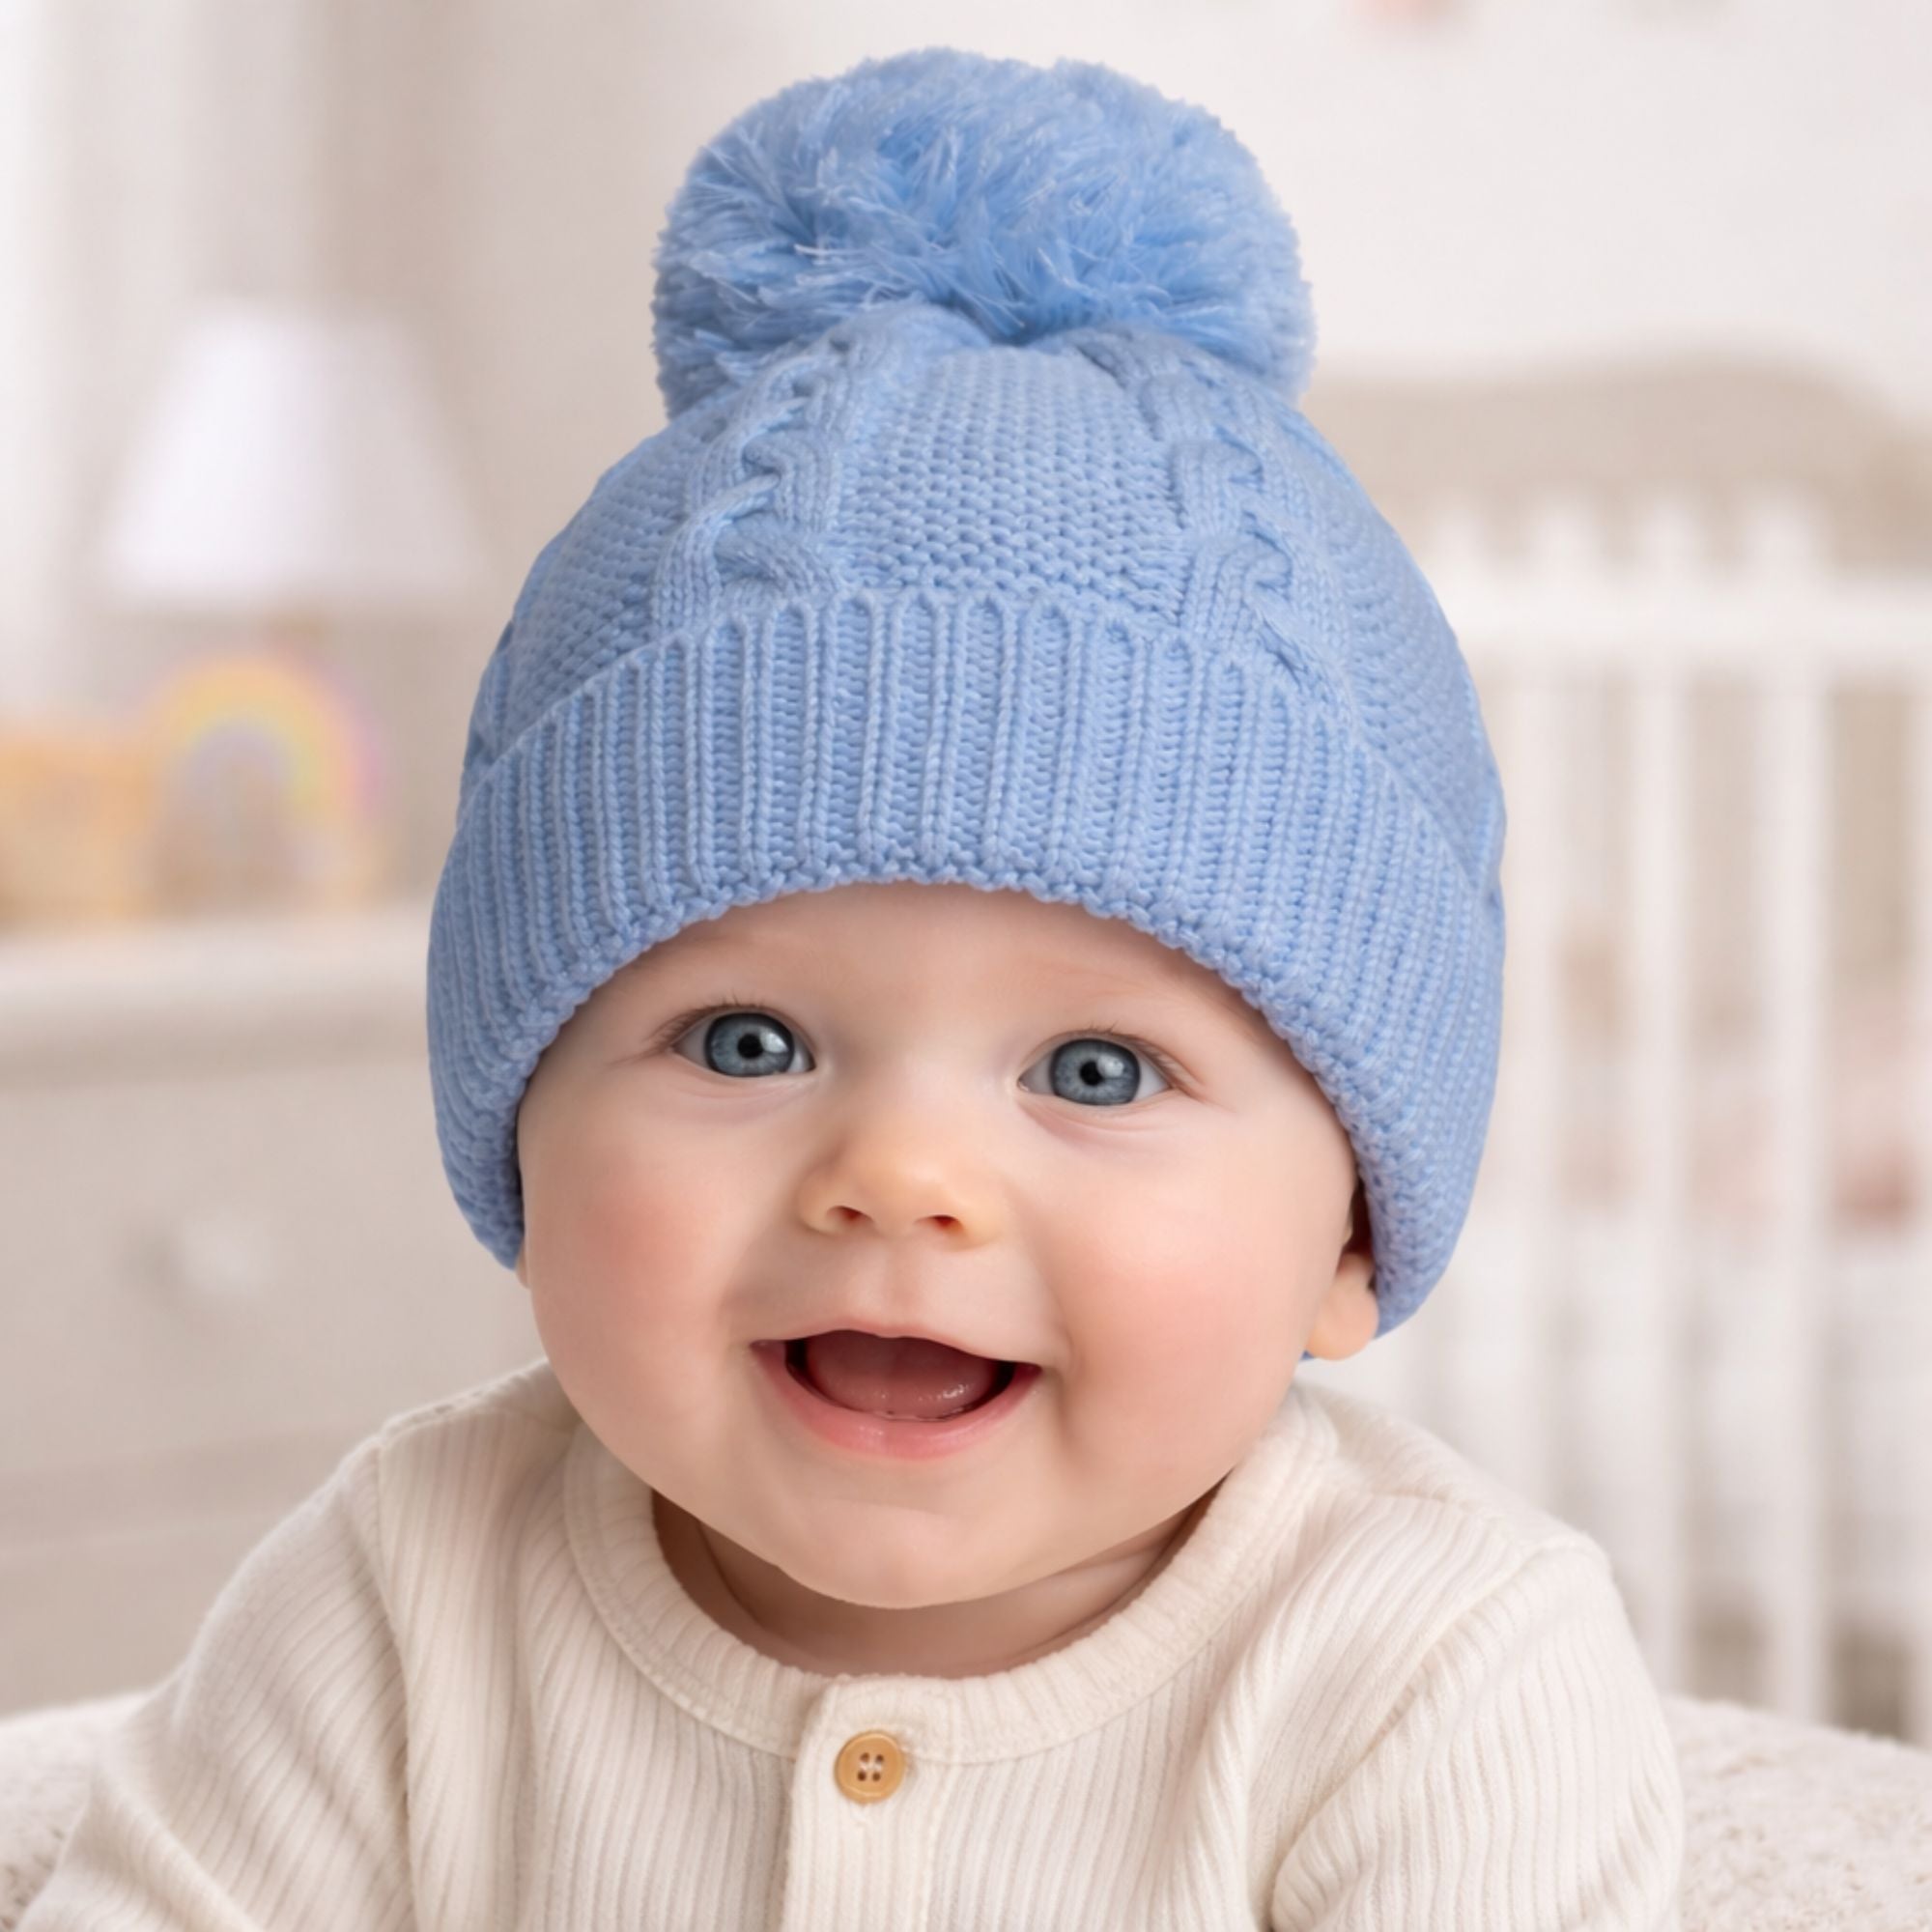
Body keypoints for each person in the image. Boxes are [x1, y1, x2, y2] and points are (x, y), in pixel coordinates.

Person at [21, 45, 1685, 1929]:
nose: (899, 1174)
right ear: (517, 1129)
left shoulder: (1434, 1671)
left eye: (1097, 1066)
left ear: (1348, 1239)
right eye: (747, 1040)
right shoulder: (401, 1594)